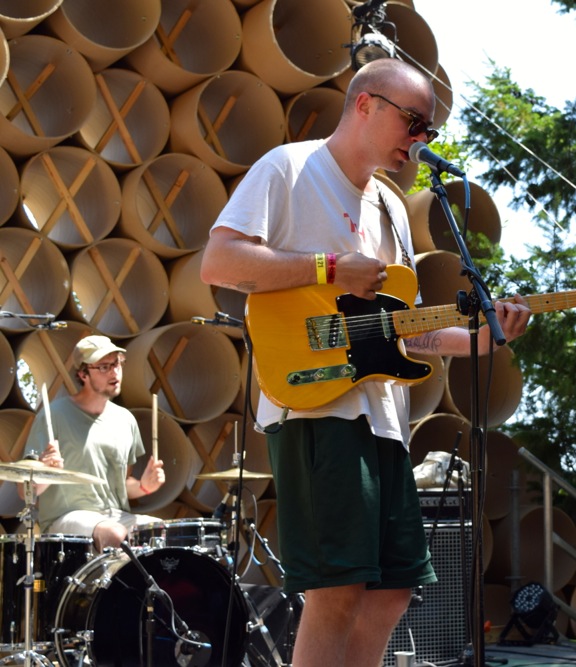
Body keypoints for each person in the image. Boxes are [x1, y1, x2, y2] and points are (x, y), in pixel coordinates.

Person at [199, 58, 531, 667]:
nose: (421, 139)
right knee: (338, 590)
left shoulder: (391, 206)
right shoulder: (289, 167)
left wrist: (481, 339)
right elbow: (220, 265)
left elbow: (401, 334)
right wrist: (325, 267)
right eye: (413, 122)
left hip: (385, 424)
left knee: (392, 592)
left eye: (428, 131)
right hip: (316, 408)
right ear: (365, 104)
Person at [23, 335, 166, 552]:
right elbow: (23, 490)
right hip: (66, 518)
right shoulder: (54, 416)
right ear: (83, 374)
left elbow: (122, 485)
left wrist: (145, 486)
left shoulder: (125, 420)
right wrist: (44, 470)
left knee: (163, 533)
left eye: (117, 363)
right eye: (104, 367)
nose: (114, 372)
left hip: (115, 516)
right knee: (115, 533)